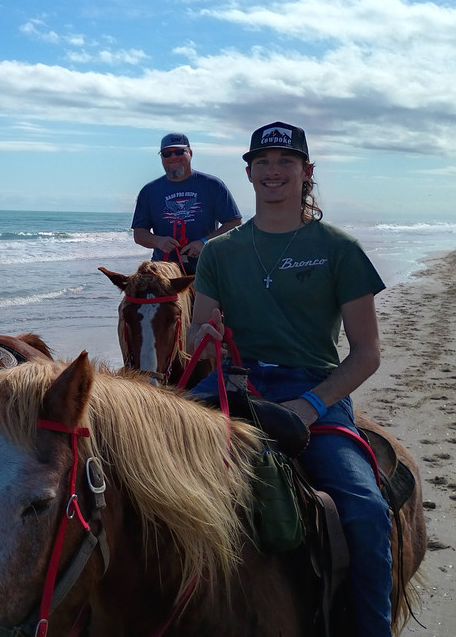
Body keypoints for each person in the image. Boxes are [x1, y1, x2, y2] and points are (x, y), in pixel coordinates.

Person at [186, 121, 393, 636]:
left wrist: (311, 405)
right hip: (235, 383)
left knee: (366, 510)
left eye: (285, 161)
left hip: (313, 388)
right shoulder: (220, 251)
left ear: (306, 171)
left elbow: (367, 353)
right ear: (249, 172)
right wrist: (206, 338)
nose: (273, 170)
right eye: (262, 161)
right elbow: (196, 341)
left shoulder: (339, 248)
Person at [132, 132, 242, 273]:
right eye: (167, 154)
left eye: (179, 151)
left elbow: (234, 223)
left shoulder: (212, 185)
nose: (173, 157)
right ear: (161, 157)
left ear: (190, 153)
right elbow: (139, 234)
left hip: (206, 266)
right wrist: (158, 241)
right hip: (165, 270)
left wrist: (204, 242)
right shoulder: (149, 191)